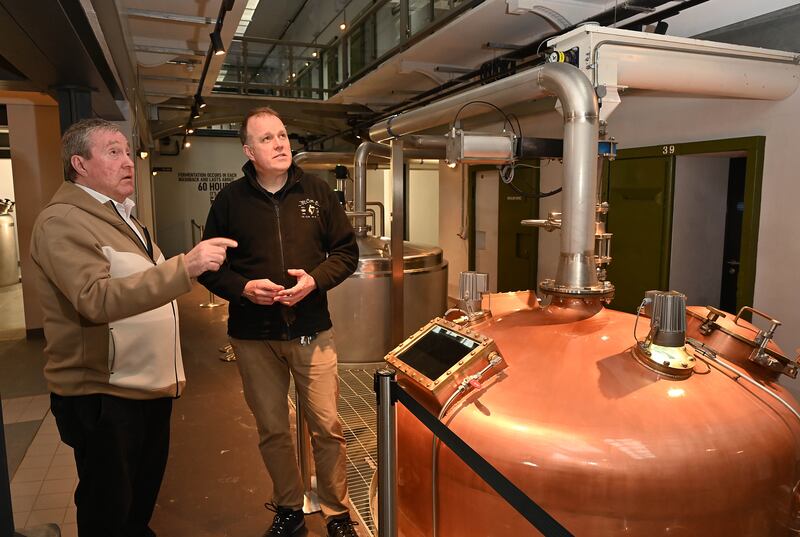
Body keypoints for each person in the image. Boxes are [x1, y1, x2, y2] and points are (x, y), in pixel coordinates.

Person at [30, 118, 236, 537]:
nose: (128, 162)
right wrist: (187, 266)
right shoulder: (63, 221)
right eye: (114, 152)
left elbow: (142, 285)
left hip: (145, 389)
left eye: (127, 152)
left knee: (136, 509)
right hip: (104, 395)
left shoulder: (123, 219)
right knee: (108, 512)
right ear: (79, 164)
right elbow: (95, 299)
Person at [198, 107, 360, 537]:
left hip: (312, 330)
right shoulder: (230, 201)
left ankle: (337, 513)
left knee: (327, 426)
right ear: (249, 151)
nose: (280, 144)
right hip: (254, 337)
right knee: (272, 428)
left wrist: (315, 281)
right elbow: (210, 266)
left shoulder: (318, 192)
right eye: (267, 139)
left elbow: (346, 253)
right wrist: (244, 288)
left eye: (283, 135)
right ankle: (288, 508)